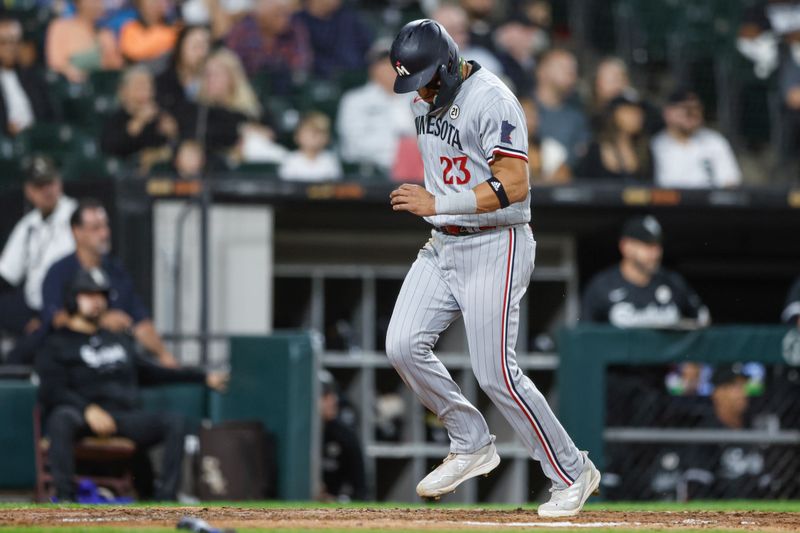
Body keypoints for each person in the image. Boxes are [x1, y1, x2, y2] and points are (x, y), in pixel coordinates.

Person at [386, 19, 600, 517]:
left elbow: (516, 185)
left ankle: (572, 471)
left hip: (494, 243)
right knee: (401, 344)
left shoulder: (494, 100)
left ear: (449, 63)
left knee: (496, 372)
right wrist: (440, 210)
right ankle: (470, 442)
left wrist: (439, 200)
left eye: (428, 79)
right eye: (415, 83)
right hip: (444, 243)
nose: (422, 91)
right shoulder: (424, 94)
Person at [36, 267, 227, 502]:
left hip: (122, 418)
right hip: (81, 416)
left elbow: (151, 371)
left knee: (174, 422)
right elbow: (51, 391)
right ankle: (65, 499)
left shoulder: (116, 339)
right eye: (88, 295)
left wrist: (202, 377)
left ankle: (164, 500)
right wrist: (88, 410)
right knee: (61, 418)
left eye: (101, 295)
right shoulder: (57, 343)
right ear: (73, 298)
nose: (96, 301)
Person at [42, 199, 179, 368]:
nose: (104, 234)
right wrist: (100, 319)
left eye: (105, 226)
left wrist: (164, 355)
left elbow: (140, 322)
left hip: (115, 362)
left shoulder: (117, 271)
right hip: (73, 362)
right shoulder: (59, 272)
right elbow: (56, 320)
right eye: (95, 228)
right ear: (77, 232)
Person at [0, 156, 76, 360]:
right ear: (29, 191)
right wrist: (27, 319)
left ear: (59, 183)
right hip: (33, 313)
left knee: (17, 358)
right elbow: (6, 275)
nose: (46, 191)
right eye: (39, 185)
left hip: (67, 310)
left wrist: (46, 317)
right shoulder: (28, 225)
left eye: (49, 183)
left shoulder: (77, 217)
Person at [580, 215, 710, 329]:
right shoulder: (602, 286)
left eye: (658, 246)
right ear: (626, 247)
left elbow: (703, 321)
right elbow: (586, 337)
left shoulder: (673, 281)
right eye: (648, 246)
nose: (656, 253)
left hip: (665, 357)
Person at [180, 48, 281, 160]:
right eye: (206, 75)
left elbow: (273, 132)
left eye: (215, 75)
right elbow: (208, 138)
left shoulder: (252, 107)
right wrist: (241, 129)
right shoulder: (199, 110)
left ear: (232, 77)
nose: (209, 80)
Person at [336, 40, 416, 173]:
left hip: (420, 168)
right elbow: (352, 145)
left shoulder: (417, 97)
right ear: (373, 68)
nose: (392, 68)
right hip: (375, 171)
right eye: (385, 63)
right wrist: (402, 148)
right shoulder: (355, 100)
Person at [651, 90, 742, 188]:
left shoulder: (714, 141)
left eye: (696, 109)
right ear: (667, 113)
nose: (692, 114)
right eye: (686, 110)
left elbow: (730, 183)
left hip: (707, 202)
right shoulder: (655, 145)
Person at [224, 0, 312, 88]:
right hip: (249, 88)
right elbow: (233, 66)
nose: (285, 19)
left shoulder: (293, 29)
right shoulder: (242, 31)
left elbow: (302, 63)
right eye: (277, 14)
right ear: (261, 17)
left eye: (286, 14)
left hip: (287, 90)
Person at [100, 66, 178, 163]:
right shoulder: (114, 117)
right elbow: (111, 147)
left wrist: (172, 135)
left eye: (148, 86)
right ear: (124, 91)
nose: (145, 92)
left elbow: (171, 148)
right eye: (139, 86)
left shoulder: (160, 116)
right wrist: (139, 121)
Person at [0, 16, 60, 137]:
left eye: (15, 42)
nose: (10, 48)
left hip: (37, 139)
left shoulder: (34, 77)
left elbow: (52, 115)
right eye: (4, 42)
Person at [534, 48, 591, 168]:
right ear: (542, 71)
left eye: (574, 69)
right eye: (563, 66)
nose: (571, 72)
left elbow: (579, 156)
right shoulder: (520, 108)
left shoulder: (577, 117)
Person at [575, 94, 653, 182]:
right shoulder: (595, 150)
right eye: (629, 111)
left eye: (639, 112)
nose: (637, 116)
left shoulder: (645, 150)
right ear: (613, 114)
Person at [45, 0, 123, 84]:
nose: (98, 5)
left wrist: (107, 53)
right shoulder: (60, 27)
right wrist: (70, 71)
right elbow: (55, 63)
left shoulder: (105, 33)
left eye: (100, 2)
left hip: (100, 87)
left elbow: (117, 67)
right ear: (79, 3)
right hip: (70, 87)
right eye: (94, 2)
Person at [294, 0, 372, 80]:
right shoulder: (298, 23)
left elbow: (369, 46)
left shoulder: (347, 15)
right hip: (326, 82)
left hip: (363, 77)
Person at [319, 371, 366, 502]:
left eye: (332, 394)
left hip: (336, 504)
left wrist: (336, 499)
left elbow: (361, 491)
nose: (333, 400)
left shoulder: (344, 435)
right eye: (325, 396)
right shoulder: (294, 438)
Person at [590, 57, 662, 136]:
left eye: (619, 79)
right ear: (597, 84)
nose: (616, 85)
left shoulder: (642, 109)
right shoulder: (589, 115)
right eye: (610, 80)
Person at [155, 25, 212, 118]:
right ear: (180, 46)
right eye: (195, 46)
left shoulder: (212, 80)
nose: (202, 53)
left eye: (205, 46)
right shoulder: (163, 82)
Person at [432, 4, 503, 75]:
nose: (460, 36)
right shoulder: (429, 64)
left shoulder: (482, 58)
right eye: (452, 29)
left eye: (462, 29)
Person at [280, 112, 342, 182]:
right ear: (298, 136)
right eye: (310, 133)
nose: (314, 137)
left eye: (320, 133)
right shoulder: (291, 160)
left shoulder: (330, 160)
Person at [520, 97, 570, 184]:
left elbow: (564, 179)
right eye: (525, 115)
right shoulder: (501, 151)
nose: (530, 121)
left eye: (533, 116)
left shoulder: (552, 149)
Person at [119, 0, 180, 65]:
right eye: (150, 2)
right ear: (140, 6)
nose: (154, 6)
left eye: (157, 2)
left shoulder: (174, 27)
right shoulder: (130, 27)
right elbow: (134, 51)